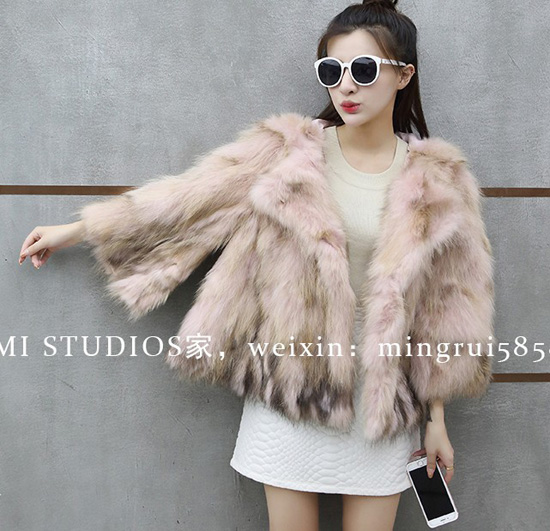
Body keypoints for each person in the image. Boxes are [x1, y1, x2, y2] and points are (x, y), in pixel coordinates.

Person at [18, 1, 495, 529]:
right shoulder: (289, 153)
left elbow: (447, 311)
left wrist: (436, 420)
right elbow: (190, 200)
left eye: (363, 70)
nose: (346, 87)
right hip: (288, 393)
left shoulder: (441, 183)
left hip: (381, 409)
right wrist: (80, 229)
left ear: (403, 75)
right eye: (331, 71)